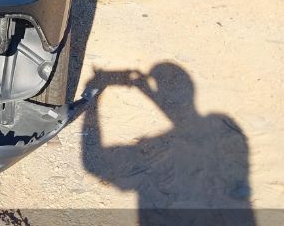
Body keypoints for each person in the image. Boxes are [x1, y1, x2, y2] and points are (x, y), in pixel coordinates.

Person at [82, 63, 254, 226]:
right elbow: (187, 124)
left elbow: (94, 165)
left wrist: (92, 97)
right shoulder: (220, 126)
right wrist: (148, 91)